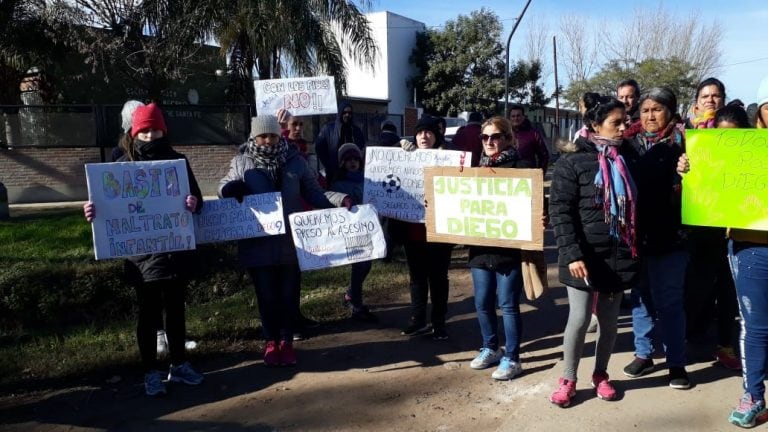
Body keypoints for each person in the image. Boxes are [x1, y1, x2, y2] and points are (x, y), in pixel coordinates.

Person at [83, 103, 204, 397]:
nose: (151, 135)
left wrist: (193, 203)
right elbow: (109, 205)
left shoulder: (178, 162)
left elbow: (198, 199)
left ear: (164, 129)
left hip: (175, 251)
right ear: (135, 132)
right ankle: (151, 372)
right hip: (141, 256)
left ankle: (179, 364)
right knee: (148, 315)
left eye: (155, 128)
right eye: (145, 130)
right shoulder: (122, 166)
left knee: (176, 312)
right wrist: (92, 210)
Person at [219, 114, 351, 367]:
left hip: (291, 244)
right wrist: (230, 190)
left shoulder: (295, 162)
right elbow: (224, 185)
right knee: (267, 296)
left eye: (272, 135)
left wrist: (341, 200)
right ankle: (271, 342)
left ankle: (287, 342)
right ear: (254, 137)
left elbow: (315, 193)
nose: (268, 141)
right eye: (263, 136)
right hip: (258, 245)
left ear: (280, 135)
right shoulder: (241, 162)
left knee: (289, 296)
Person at [548, 94, 640, 407]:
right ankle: (569, 378)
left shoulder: (630, 157)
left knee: (610, 322)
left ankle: (601, 375)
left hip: (617, 257)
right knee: (579, 319)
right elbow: (561, 212)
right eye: (616, 123)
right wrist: (572, 253)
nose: (623, 128)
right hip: (583, 259)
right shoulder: (571, 162)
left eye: (625, 122)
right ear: (594, 124)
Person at [622, 87, 691, 389]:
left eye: (657, 109)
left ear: (670, 112)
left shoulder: (686, 145)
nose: (650, 115)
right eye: (646, 109)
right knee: (640, 299)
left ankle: (676, 363)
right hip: (638, 237)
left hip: (673, 236)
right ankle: (644, 353)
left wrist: (689, 172)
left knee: (670, 302)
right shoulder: (628, 145)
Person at [466, 116, 529, 380]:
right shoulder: (472, 170)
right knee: (482, 303)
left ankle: (512, 358)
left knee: (508, 304)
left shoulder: (522, 166)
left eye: (495, 136)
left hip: (509, 249)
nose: (490, 142)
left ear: (507, 138)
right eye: (485, 137)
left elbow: (533, 203)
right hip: (480, 247)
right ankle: (490, 347)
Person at [683, 77, 739, 371]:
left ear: (723, 99)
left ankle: (726, 344)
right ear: (697, 101)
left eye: (716, 95)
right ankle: (695, 340)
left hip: (733, 225)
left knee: (728, 290)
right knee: (698, 288)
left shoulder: (739, 132)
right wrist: (682, 166)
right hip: (701, 224)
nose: (711, 100)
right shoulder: (689, 133)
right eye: (705, 96)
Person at [725, 75, 768, 427]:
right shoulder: (740, 147)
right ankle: (754, 395)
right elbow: (713, 188)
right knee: (756, 325)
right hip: (753, 247)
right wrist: (691, 170)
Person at [389, 115, 454, 340]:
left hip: (440, 229)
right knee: (416, 277)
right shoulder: (407, 155)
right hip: (413, 231)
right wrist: (399, 146)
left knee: (438, 277)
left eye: (428, 132)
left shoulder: (447, 156)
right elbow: (385, 161)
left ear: (436, 135)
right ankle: (418, 319)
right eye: (419, 133)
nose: (423, 137)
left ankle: (439, 321)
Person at [332, 143, 378, 322]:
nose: (352, 163)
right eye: (348, 160)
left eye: (355, 160)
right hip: (351, 231)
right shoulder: (338, 183)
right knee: (359, 266)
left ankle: (351, 293)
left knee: (367, 265)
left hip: (369, 228)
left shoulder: (369, 180)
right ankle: (356, 305)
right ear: (342, 163)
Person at [315, 101, 365, 180]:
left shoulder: (356, 130)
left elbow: (361, 148)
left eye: (349, 113)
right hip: (334, 172)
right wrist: (329, 165)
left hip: (352, 172)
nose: (347, 115)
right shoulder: (328, 129)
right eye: (344, 112)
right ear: (340, 113)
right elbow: (319, 148)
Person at [508, 104, 550, 173]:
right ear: (510, 118)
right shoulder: (504, 133)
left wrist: (540, 174)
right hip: (507, 175)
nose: (516, 118)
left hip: (527, 175)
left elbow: (544, 156)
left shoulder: (534, 133)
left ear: (523, 117)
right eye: (513, 116)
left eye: (518, 116)